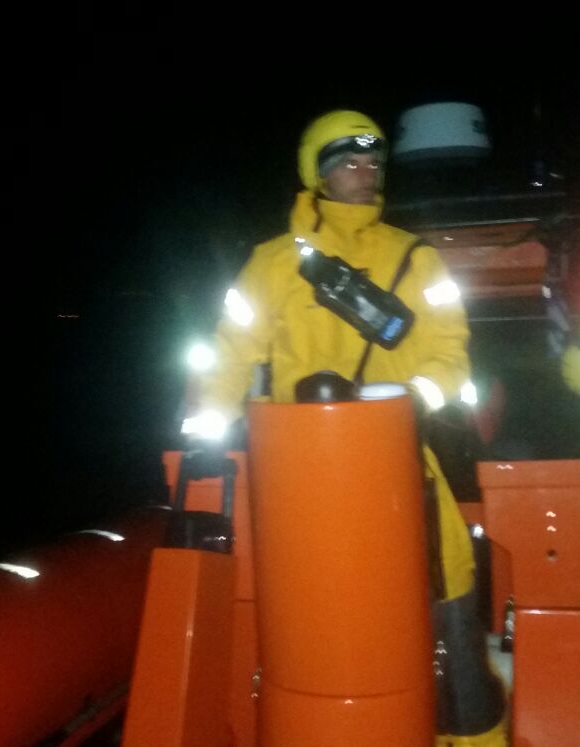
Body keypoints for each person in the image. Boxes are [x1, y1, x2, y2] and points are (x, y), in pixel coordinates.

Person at [184, 110, 507, 746]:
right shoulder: (270, 264)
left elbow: (451, 355)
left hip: (397, 472)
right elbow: (229, 356)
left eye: (373, 162)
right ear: (317, 172)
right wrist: (203, 435)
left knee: (448, 610)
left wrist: (407, 400)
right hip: (297, 482)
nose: (365, 173)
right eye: (349, 162)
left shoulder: (415, 260)